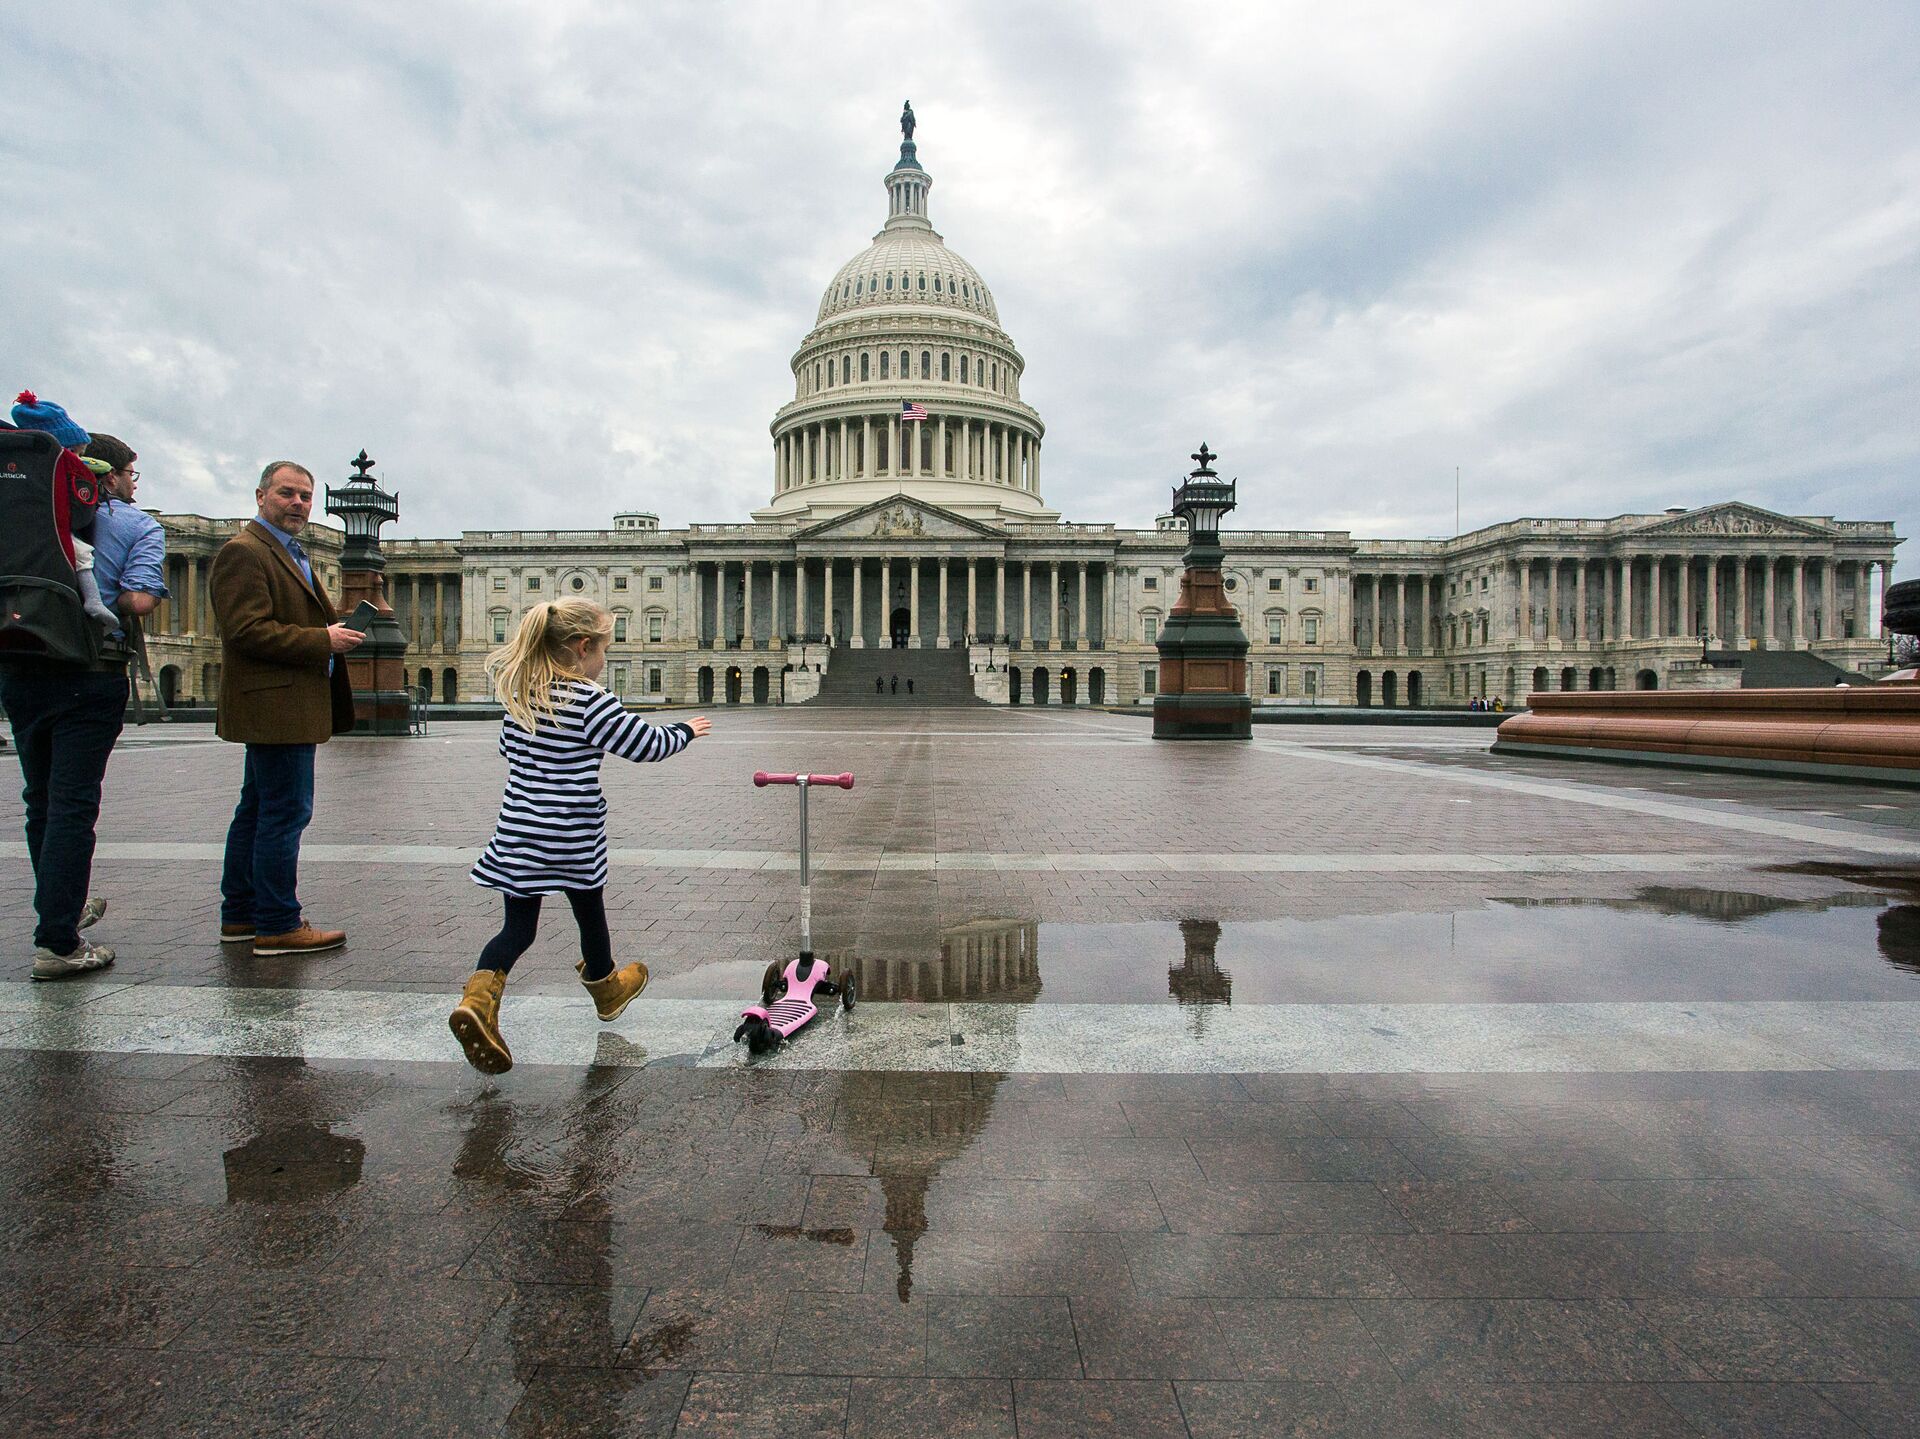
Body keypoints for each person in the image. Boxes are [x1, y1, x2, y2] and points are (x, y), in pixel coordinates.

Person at [449, 599, 710, 1074]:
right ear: (584, 647)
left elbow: (509, 749)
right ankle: (607, 988)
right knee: (590, 912)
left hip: (518, 831)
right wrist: (685, 730)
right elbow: (646, 746)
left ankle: (477, 1002)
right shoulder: (591, 700)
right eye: (605, 650)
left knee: (517, 930)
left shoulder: (522, 696)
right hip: (571, 833)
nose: (605, 661)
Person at [0, 393, 143, 979]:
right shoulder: (105, 509)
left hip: (18, 656)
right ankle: (58, 940)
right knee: (73, 805)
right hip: (86, 665)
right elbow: (137, 595)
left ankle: (60, 905)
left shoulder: (15, 496)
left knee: (40, 799)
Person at [210, 461, 362, 956]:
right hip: (278, 706)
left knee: (256, 811)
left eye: (305, 496)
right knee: (284, 814)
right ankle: (277, 922)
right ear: (261, 496)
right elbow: (245, 631)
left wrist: (332, 632)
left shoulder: (285, 551)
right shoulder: (245, 551)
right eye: (286, 493)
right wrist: (323, 639)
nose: (298, 503)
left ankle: (240, 915)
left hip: (282, 702)